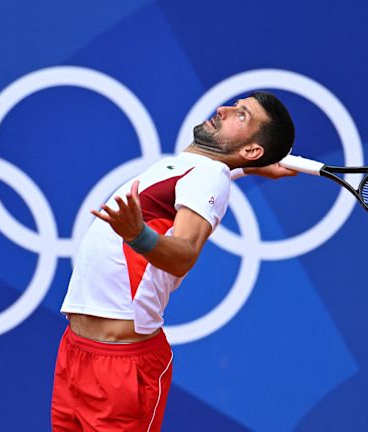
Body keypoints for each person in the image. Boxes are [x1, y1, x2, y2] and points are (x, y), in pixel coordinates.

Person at [51, 91, 297, 431]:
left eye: (242, 115)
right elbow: (209, 176)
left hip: (121, 367)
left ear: (252, 149)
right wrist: (249, 168)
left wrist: (138, 234)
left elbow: (183, 255)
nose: (223, 109)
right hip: (77, 352)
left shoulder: (209, 175)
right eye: (234, 105)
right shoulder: (194, 168)